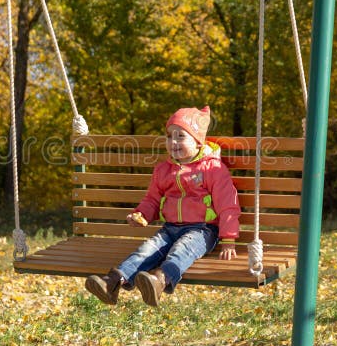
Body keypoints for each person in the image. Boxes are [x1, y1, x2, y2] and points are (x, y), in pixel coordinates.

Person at [85, 106, 241, 307]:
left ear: (197, 140)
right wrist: (141, 214)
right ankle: (112, 283)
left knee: (181, 250)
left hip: (203, 229)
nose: (173, 142)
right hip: (170, 228)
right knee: (146, 251)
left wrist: (229, 239)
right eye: (169, 136)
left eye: (181, 136)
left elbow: (228, 203)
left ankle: (159, 281)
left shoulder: (213, 168)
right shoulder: (163, 170)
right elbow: (152, 199)